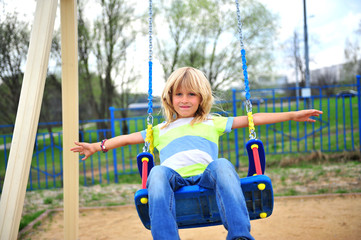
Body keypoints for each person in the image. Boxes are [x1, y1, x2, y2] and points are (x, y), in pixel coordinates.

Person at [71, 67, 323, 240]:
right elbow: (126, 139)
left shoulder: (211, 121)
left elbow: (252, 119)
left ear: (201, 98)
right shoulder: (159, 129)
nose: (184, 99)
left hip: (206, 177)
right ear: (169, 97)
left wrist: (292, 114)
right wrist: (98, 146)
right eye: (179, 94)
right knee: (157, 172)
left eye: (191, 94)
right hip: (175, 181)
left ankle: (240, 236)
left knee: (222, 164)